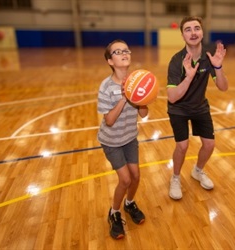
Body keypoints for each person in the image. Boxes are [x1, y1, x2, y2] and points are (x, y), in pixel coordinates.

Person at [166, 16, 228, 200]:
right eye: (188, 29)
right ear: (182, 35)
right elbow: (172, 96)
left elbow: (223, 87)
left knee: (209, 144)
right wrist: (189, 77)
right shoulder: (177, 61)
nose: (193, 32)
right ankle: (175, 177)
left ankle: (197, 171)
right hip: (178, 108)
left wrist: (218, 67)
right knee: (182, 146)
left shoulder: (209, 56)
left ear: (202, 32)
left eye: (197, 28)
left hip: (200, 106)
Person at [97, 39, 147, 239]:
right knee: (125, 179)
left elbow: (143, 113)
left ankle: (129, 203)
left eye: (126, 50)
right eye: (118, 52)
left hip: (129, 137)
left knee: (136, 176)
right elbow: (108, 120)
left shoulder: (137, 80)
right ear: (110, 61)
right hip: (111, 141)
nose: (124, 53)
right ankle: (114, 212)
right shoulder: (106, 87)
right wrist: (125, 97)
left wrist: (142, 98)